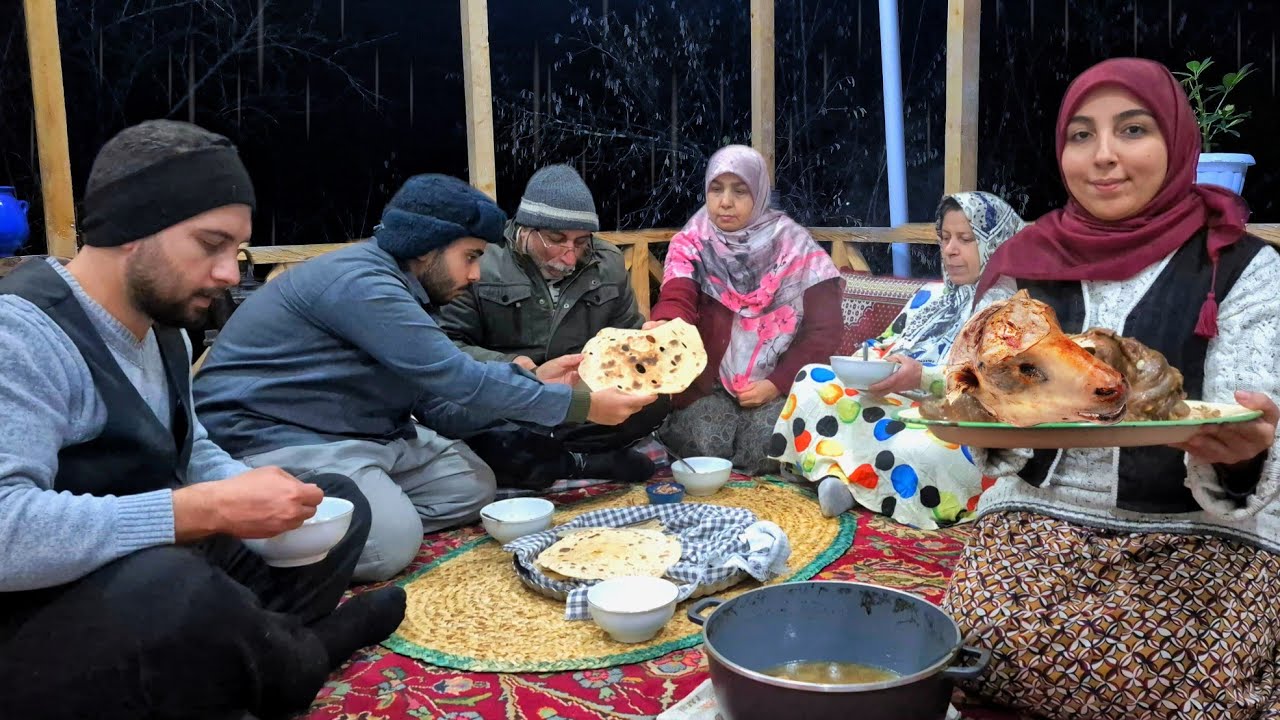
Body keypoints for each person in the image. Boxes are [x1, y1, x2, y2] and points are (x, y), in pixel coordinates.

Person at [0, 119, 404, 720]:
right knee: (175, 591)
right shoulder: (23, 333)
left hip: (153, 573)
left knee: (334, 503)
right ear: (132, 228)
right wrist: (202, 510)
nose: (227, 275)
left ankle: (238, 655)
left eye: (236, 252)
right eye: (210, 244)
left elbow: (190, 448)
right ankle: (301, 657)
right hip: (44, 621)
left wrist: (255, 493)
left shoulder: (166, 332)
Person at [941, 58, 1280, 720]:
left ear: (1177, 143)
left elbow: (1251, 424)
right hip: (1040, 523)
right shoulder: (1028, 263)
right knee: (976, 638)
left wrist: (1240, 458)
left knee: (1182, 679)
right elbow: (994, 443)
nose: (1104, 158)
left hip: (1197, 535)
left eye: (1132, 130)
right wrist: (981, 412)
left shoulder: (1240, 266)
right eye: (1081, 136)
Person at [194, 173, 656, 582]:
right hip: (284, 434)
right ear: (428, 247)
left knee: (474, 486)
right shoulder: (363, 283)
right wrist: (581, 405)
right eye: (471, 256)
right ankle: (278, 527)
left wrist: (542, 386)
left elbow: (434, 397)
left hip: (374, 430)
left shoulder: (407, 289)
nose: (476, 274)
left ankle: (349, 514)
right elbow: (456, 376)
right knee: (390, 547)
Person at [770, 192, 1027, 528]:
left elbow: (991, 390)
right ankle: (855, 480)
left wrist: (921, 378)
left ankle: (843, 479)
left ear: (998, 244)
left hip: (959, 421)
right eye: (945, 238)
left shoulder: (1014, 314)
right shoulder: (931, 296)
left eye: (966, 239)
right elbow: (885, 342)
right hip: (896, 402)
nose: (950, 250)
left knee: (923, 447)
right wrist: (867, 366)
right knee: (811, 381)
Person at [436, 164, 670, 489]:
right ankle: (580, 460)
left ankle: (546, 457)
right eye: (556, 240)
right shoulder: (482, 263)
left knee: (653, 403)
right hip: (511, 396)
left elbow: (627, 335)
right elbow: (447, 347)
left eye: (581, 241)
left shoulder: (608, 262)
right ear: (526, 229)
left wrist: (648, 352)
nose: (570, 256)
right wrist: (518, 371)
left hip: (579, 396)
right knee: (471, 425)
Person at [647, 144, 842, 475]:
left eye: (740, 191)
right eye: (716, 189)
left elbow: (824, 330)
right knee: (705, 442)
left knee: (764, 446)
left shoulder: (794, 247)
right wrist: (665, 325)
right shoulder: (694, 241)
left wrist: (776, 384)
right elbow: (679, 295)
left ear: (760, 195)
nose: (725, 202)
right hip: (711, 384)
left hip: (779, 382)